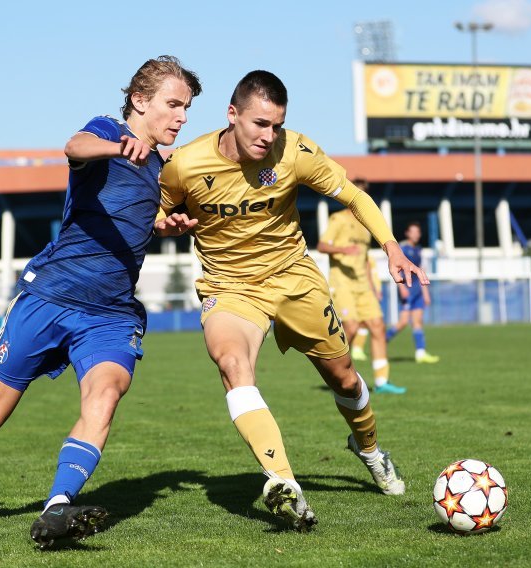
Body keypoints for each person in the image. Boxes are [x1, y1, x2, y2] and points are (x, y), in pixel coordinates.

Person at [155, 70, 427, 531]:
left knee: (343, 378)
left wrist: (391, 246)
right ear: (232, 114)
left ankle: (370, 450)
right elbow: (156, 212)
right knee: (232, 364)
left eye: (277, 125)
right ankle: (283, 483)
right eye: (260, 123)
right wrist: (163, 224)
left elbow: (354, 197)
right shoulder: (184, 164)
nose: (269, 135)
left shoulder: (296, 151)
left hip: (294, 280)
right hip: (230, 287)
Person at [0, 56, 202, 548]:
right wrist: (116, 147)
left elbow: (128, 217)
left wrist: (162, 226)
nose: (182, 117)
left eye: (187, 108)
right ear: (140, 101)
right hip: (50, 297)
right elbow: (73, 146)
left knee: (105, 395)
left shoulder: (161, 168)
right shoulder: (105, 132)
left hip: (110, 314)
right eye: (174, 104)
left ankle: (58, 507)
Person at [318, 178, 406, 394]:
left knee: (377, 326)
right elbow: (322, 245)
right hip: (342, 282)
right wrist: (343, 250)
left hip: (362, 284)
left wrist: (373, 286)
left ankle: (382, 381)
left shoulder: (366, 225)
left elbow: (366, 259)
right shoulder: (337, 219)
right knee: (351, 328)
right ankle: (337, 374)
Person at [385, 222, 440, 364]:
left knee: (418, 321)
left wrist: (425, 293)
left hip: (418, 291)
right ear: (407, 233)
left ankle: (420, 354)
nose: (416, 235)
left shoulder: (419, 250)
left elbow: (420, 271)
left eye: (418, 232)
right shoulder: (402, 248)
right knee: (403, 322)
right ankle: (382, 341)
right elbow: (399, 270)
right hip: (407, 290)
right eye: (413, 232)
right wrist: (402, 288)